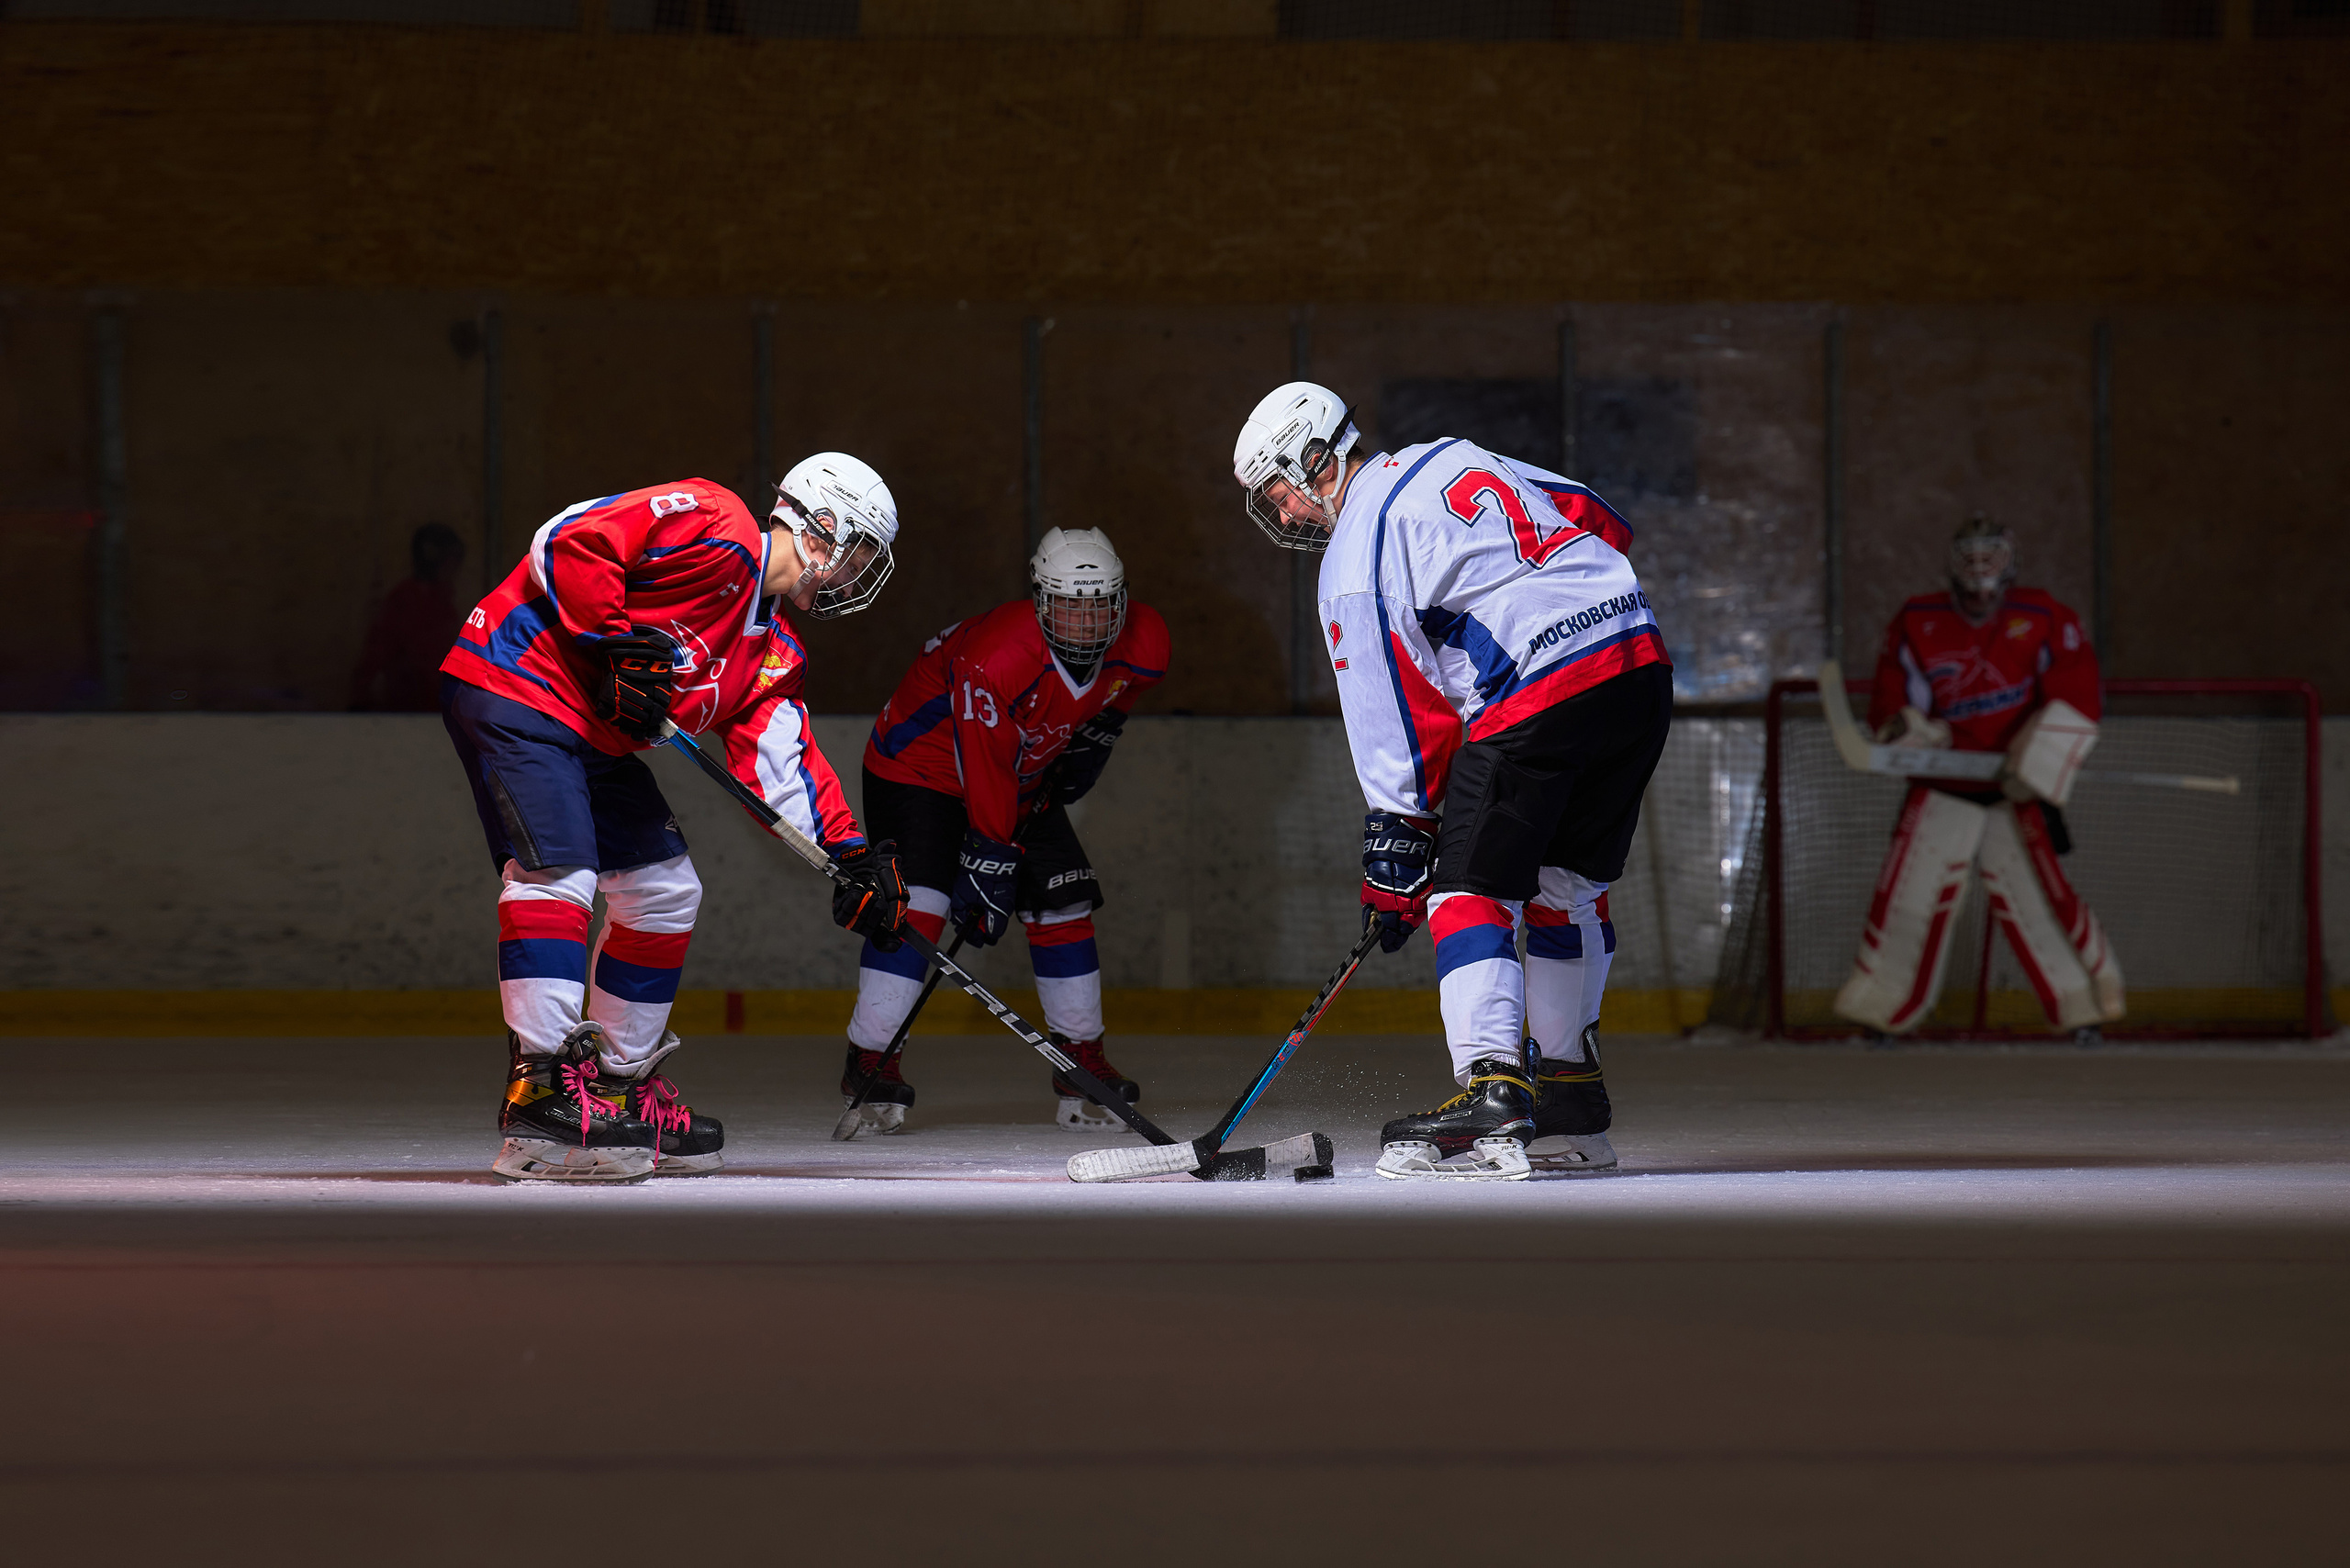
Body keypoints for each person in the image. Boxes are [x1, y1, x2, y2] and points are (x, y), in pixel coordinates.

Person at [1232, 382, 1672, 1181]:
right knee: (1562, 887)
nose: (1287, 514)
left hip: (1540, 688)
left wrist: (1397, 838)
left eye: (1280, 490)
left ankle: (1492, 1096)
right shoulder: (1454, 455)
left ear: (1317, 461)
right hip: (1637, 659)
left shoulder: (1354, 551)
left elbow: (1392, 711)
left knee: (1465, 887)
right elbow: (1597, 515)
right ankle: (1570, 1101)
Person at [438, 457, 912, 1182]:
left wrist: (848, 857)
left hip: (589, 737)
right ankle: (540, 1096)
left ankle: (613, 1091)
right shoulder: (716, 523)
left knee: (665, 889)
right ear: (824, 527)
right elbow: (569, 540)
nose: (857, 574)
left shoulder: (772, 652)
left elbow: (783, 760)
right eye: (859, 553)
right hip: (516, 681)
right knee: (558, 870)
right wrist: (609, 641)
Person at [844, 526, 1168, 1134]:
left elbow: (1117, 695)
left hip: (1018, 771)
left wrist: (1097, 733)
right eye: (1070, 606)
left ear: (1121, 604)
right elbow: (982, 761)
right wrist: (990, 859)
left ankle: (1079, 1057)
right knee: (921, 905)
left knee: (1064, 898)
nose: (1085, 624)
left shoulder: (1145, 642)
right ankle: (870, 1057)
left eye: (1098, 607)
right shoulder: (996, 657)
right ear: (1043, 601)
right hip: (918, 770)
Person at [1832, 515, 2124, 1039]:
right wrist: (1910, 729)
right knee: (1909, 899)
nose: (1979, 591)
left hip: (2015, 792)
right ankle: (1879, 1013)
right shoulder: (1917, 620)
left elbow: (2078, 695)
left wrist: (2037, 750)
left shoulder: (2045, 616)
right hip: (1944, 786)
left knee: (2036, 901)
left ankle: (2088, 1009)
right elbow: (1894, 702)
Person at [352, 523, 468, 711]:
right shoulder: (408, 601)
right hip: (409, 711)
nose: (455, 568)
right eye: (451, 559)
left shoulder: (443, 602)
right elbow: (381, 656)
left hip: (435, 710)